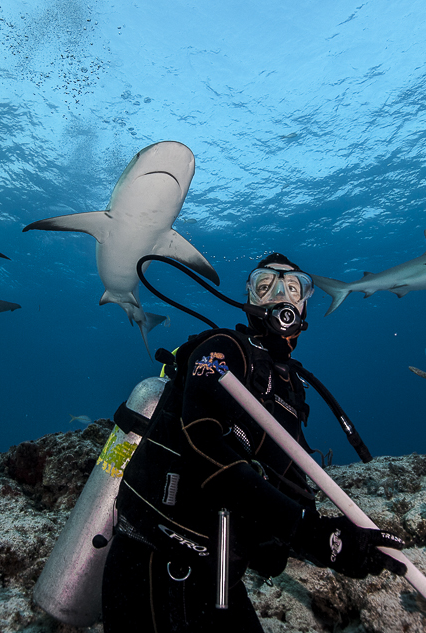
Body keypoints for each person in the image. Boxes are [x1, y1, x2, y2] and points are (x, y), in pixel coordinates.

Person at [102, 253, 406, 633]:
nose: (281, 295)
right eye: (265, 286)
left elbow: (285, 500)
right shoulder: (222, 349)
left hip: (219, 578)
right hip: (156, 565)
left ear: (305, 306)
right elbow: (202, 445)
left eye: (294, 288)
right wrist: (313, 535)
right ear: (249, 300)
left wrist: (337, 539)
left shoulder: (289, 391)